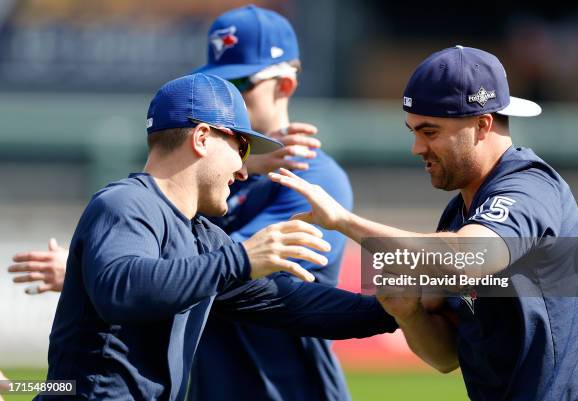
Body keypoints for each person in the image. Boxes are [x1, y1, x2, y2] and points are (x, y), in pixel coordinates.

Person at [268, 46, 578, 400]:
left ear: (482, 125)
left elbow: (467, 260)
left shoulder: (529, 186)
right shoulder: (458, 215)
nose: (416, 147)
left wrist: (342, 220)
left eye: (430, 132)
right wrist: (410, 314)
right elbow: (445, 357)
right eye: (413, 131)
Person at [37, 73, 397, 401]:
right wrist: (240, 259)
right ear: (202, 137)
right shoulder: (125, 203)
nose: (243, 169)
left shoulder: (204, 237)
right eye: (241, 147)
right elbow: (121, 290)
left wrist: (394, 309)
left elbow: (294, 305)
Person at [190, 6, 353, 401]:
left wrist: (130, 269)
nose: (224, 98)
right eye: (215, 84)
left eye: (240, 85)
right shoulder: (203, 170)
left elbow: (225, 273)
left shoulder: (313, 178)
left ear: (284, 85)